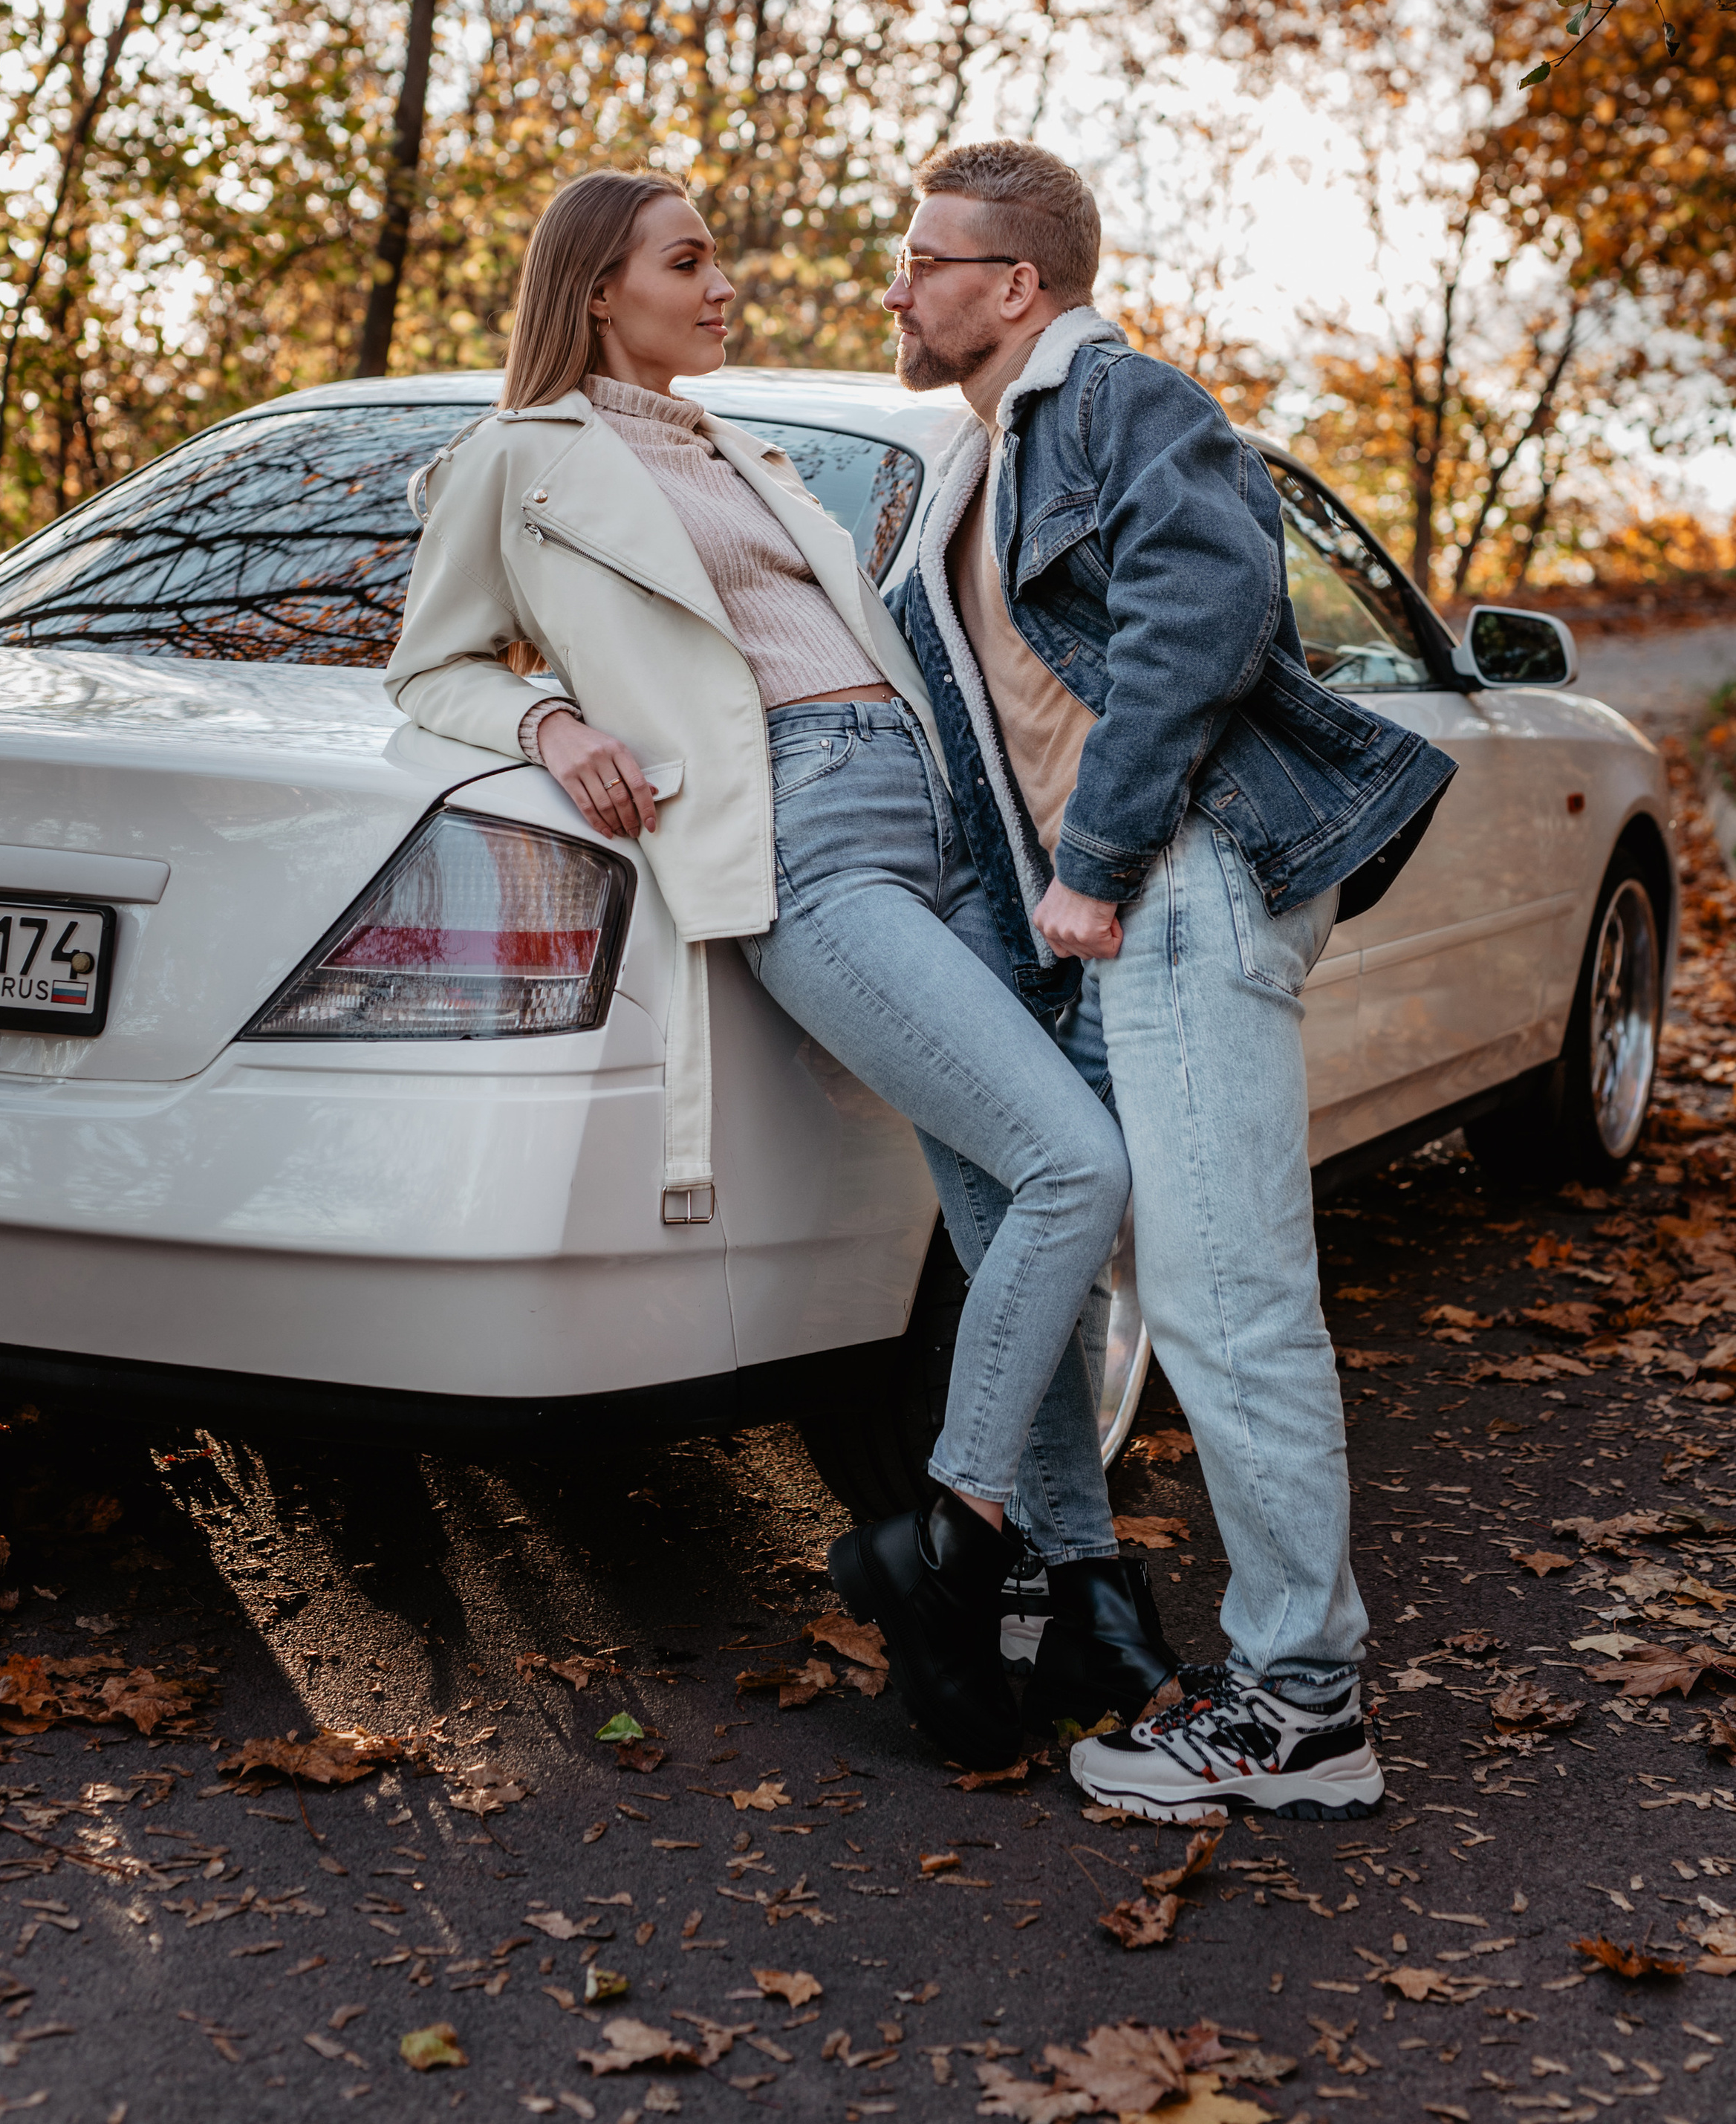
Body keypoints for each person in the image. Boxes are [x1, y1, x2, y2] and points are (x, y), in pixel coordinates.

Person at [385, 167, 1170, 1771]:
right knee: (1073, 1166)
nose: (722, 284)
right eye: (687, 262)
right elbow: (431, 665)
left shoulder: (740, 447)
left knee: (998, 1212)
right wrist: (551, 722)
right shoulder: (516, 462)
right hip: (803, 847)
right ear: (597, 288)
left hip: (938, 830)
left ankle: (1076, 1591)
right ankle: (950, 1537)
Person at [885, 139, 1457, 1822]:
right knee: (1185, 1277)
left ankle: (1299, 1711)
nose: (898, 286)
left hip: (1188, 880)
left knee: (1227, 1301)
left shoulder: (1119, 395)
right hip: (1139, 901)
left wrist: (1095, 860)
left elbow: (1204, 612)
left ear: (1017, 286)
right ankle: (1278, 1680)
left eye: (928, 259)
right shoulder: (980, 453)